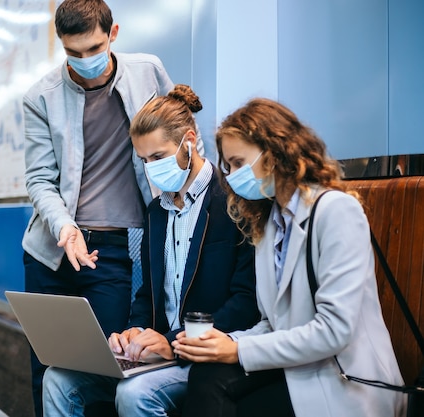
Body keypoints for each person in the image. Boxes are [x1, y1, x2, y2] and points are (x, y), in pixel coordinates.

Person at [172, 98, 407, 417]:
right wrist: (222, 342)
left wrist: (238, 349)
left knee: (230, 396)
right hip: (301, 368)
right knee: (207, 375)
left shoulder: (336, 211)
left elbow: (333, 330)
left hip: (346, 380)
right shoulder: (270, 222)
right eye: (228, 166)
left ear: (273, 154)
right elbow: (273, 322)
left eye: (239, 163)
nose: (231, 176)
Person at [21, 1, 200, 415]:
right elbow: (40, 180)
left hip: (111, 249)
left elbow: (179, 135)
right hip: (51, 249)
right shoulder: (40, 97)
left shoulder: (147, 71)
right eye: (73, 52)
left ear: (113, 33)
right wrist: (65, 230)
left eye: (94, 48)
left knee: (106, 365)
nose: (85, 61)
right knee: (46, 367)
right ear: (60, 44)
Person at [42, 85, 259, 417]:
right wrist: (135, 332)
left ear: (189, 140)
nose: (151, 168)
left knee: (134, 394)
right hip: (159, 354)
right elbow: (146, 296)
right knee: (58, 379)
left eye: (158, 157)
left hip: (204, 353)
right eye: (143, 160)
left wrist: (172, 342)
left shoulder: (234, 204)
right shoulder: (156, 213)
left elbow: (245, 304)